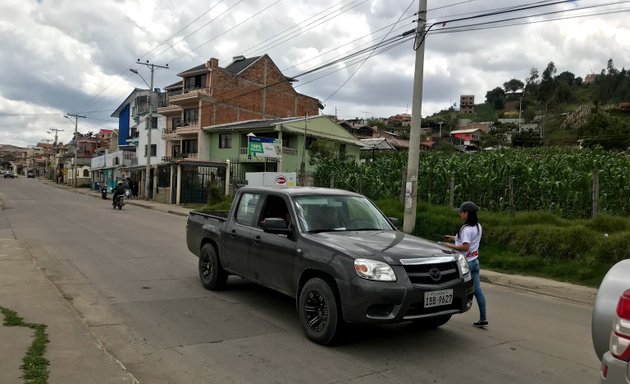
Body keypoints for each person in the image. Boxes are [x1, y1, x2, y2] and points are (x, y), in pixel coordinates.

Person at [443, 201, 488, 328]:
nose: (460, 214)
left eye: (461, 212)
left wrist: (449, 245)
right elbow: (464, 239)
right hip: (475, 262)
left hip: (466, 264)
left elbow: (465, 246)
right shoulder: (477, 226)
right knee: (478, 291)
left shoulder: (466, 229)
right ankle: (483, 318)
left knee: (450, 286)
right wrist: (452, 237)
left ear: (466, 213)